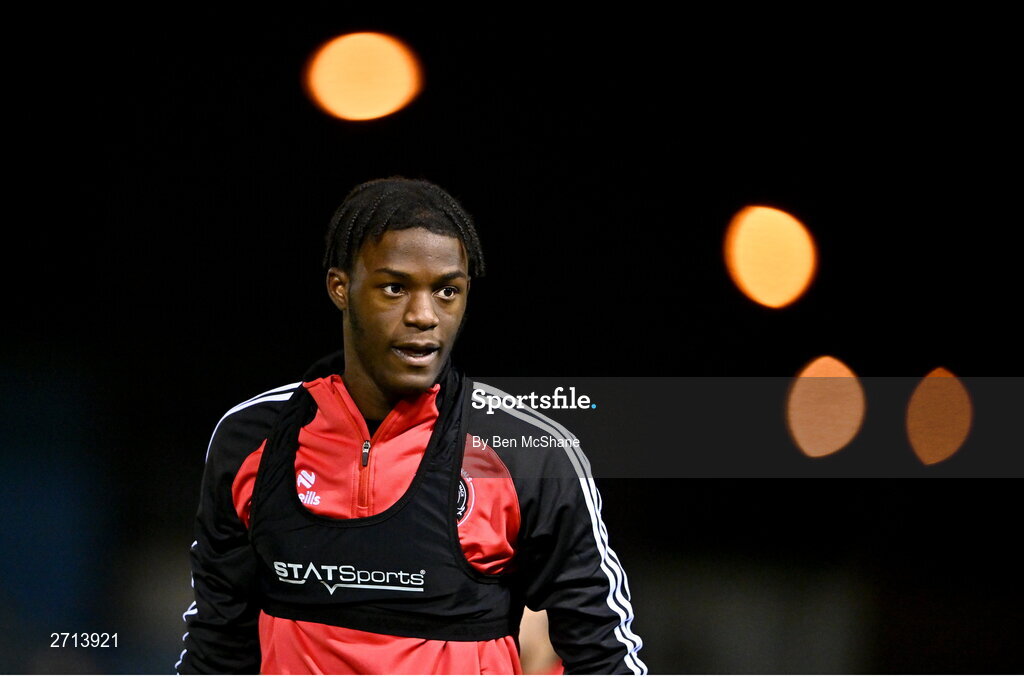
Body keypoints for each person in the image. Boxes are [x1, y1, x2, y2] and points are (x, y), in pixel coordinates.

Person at [175, 177, 646, 674]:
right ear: (340, 287)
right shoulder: (254, 440)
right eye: (394, 288)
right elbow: (217, 645)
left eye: (447, 291)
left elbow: (604, 652)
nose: (424, 316)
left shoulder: (528, 452)